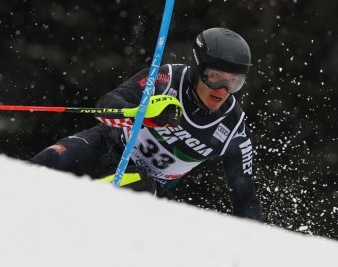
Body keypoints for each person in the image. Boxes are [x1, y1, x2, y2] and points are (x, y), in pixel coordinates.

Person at [32, 27, 263, 221]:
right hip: (104, 144)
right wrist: (141, 113)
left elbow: (245, 198)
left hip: (145, 184)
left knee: (137, 182)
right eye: (215, 77)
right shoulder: (166, 79)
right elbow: (106, 105)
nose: (223, 90)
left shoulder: (234, 128)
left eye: (234, 83)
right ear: (197, 68)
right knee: (50, 161)